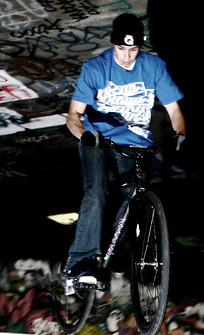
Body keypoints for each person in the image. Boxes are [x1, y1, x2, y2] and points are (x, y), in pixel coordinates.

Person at [64, 12, 186, 287]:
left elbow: (174, 110)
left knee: (130, 197)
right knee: (97, 192)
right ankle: (79, 263)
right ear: (113, 45)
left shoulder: (154, 67)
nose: (127, 56)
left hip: (134, 142)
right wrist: (85, 136)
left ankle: (107, 255)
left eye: (133, 50)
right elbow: (73, 116)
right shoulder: (95, 68)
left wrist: (179, 134)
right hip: (98, 138)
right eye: (121, 49)